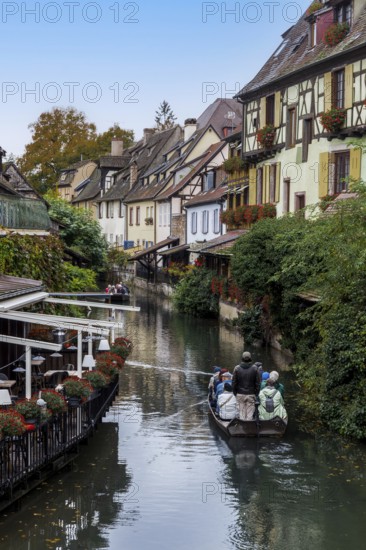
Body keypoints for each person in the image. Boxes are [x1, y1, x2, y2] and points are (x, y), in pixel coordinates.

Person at [232, 351, 261, 421]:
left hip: (240, 393)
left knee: (241, 415)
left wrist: (235, 392)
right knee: (250, 416)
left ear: (242, 358)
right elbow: (258, 383)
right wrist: (256, 393)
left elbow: (234, 383)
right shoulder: (255, 368)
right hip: (251, 394)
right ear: (250, 358)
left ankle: (242, 428)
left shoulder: (237, 368)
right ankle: (249, 428)